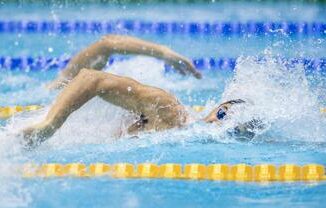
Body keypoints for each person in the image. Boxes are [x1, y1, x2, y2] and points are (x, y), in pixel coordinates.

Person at [22, 35, 255, 147]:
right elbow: (90, 76)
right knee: (61, 84)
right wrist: (50, 125)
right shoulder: (169, 111)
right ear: (216, 106)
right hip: (44, 117)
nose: (217, 123)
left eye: (230, 129)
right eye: (222, 114)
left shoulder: (178, 135)